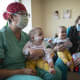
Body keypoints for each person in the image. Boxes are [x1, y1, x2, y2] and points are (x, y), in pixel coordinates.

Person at [0, 2, 43, 80]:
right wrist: (21, 71)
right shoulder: (2, 36)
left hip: (28, 67)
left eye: (27, 14)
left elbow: (39, 48)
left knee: (54, 73)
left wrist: (41, 52)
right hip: (9, 74)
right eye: (22, 14)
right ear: (11, 17)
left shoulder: (25, 36)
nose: (26, 17)